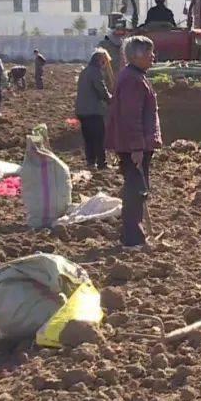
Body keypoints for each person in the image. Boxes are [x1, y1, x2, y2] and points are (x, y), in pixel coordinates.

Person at [105, 36, 162, 249]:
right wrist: (137, 147)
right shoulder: (132, 80)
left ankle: (134, 236)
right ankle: (133, 239)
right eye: (148, 53)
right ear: (135, 56)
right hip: (133, 146)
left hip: (136, 144)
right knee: (135, 191)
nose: (153, 57)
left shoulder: (136, 76)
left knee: (137, 189)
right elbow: (131, 117)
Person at [76, 49, 114, 170]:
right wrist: (111, 100)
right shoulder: (95, 72)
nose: (104, 65)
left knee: (89, 138)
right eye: (104, 62)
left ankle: (91, 162)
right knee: (99, 137)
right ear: (99, 60)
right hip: (92, 110)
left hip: (81, 110)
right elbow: (101, 90)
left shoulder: (84, 71)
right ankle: (102, 164)